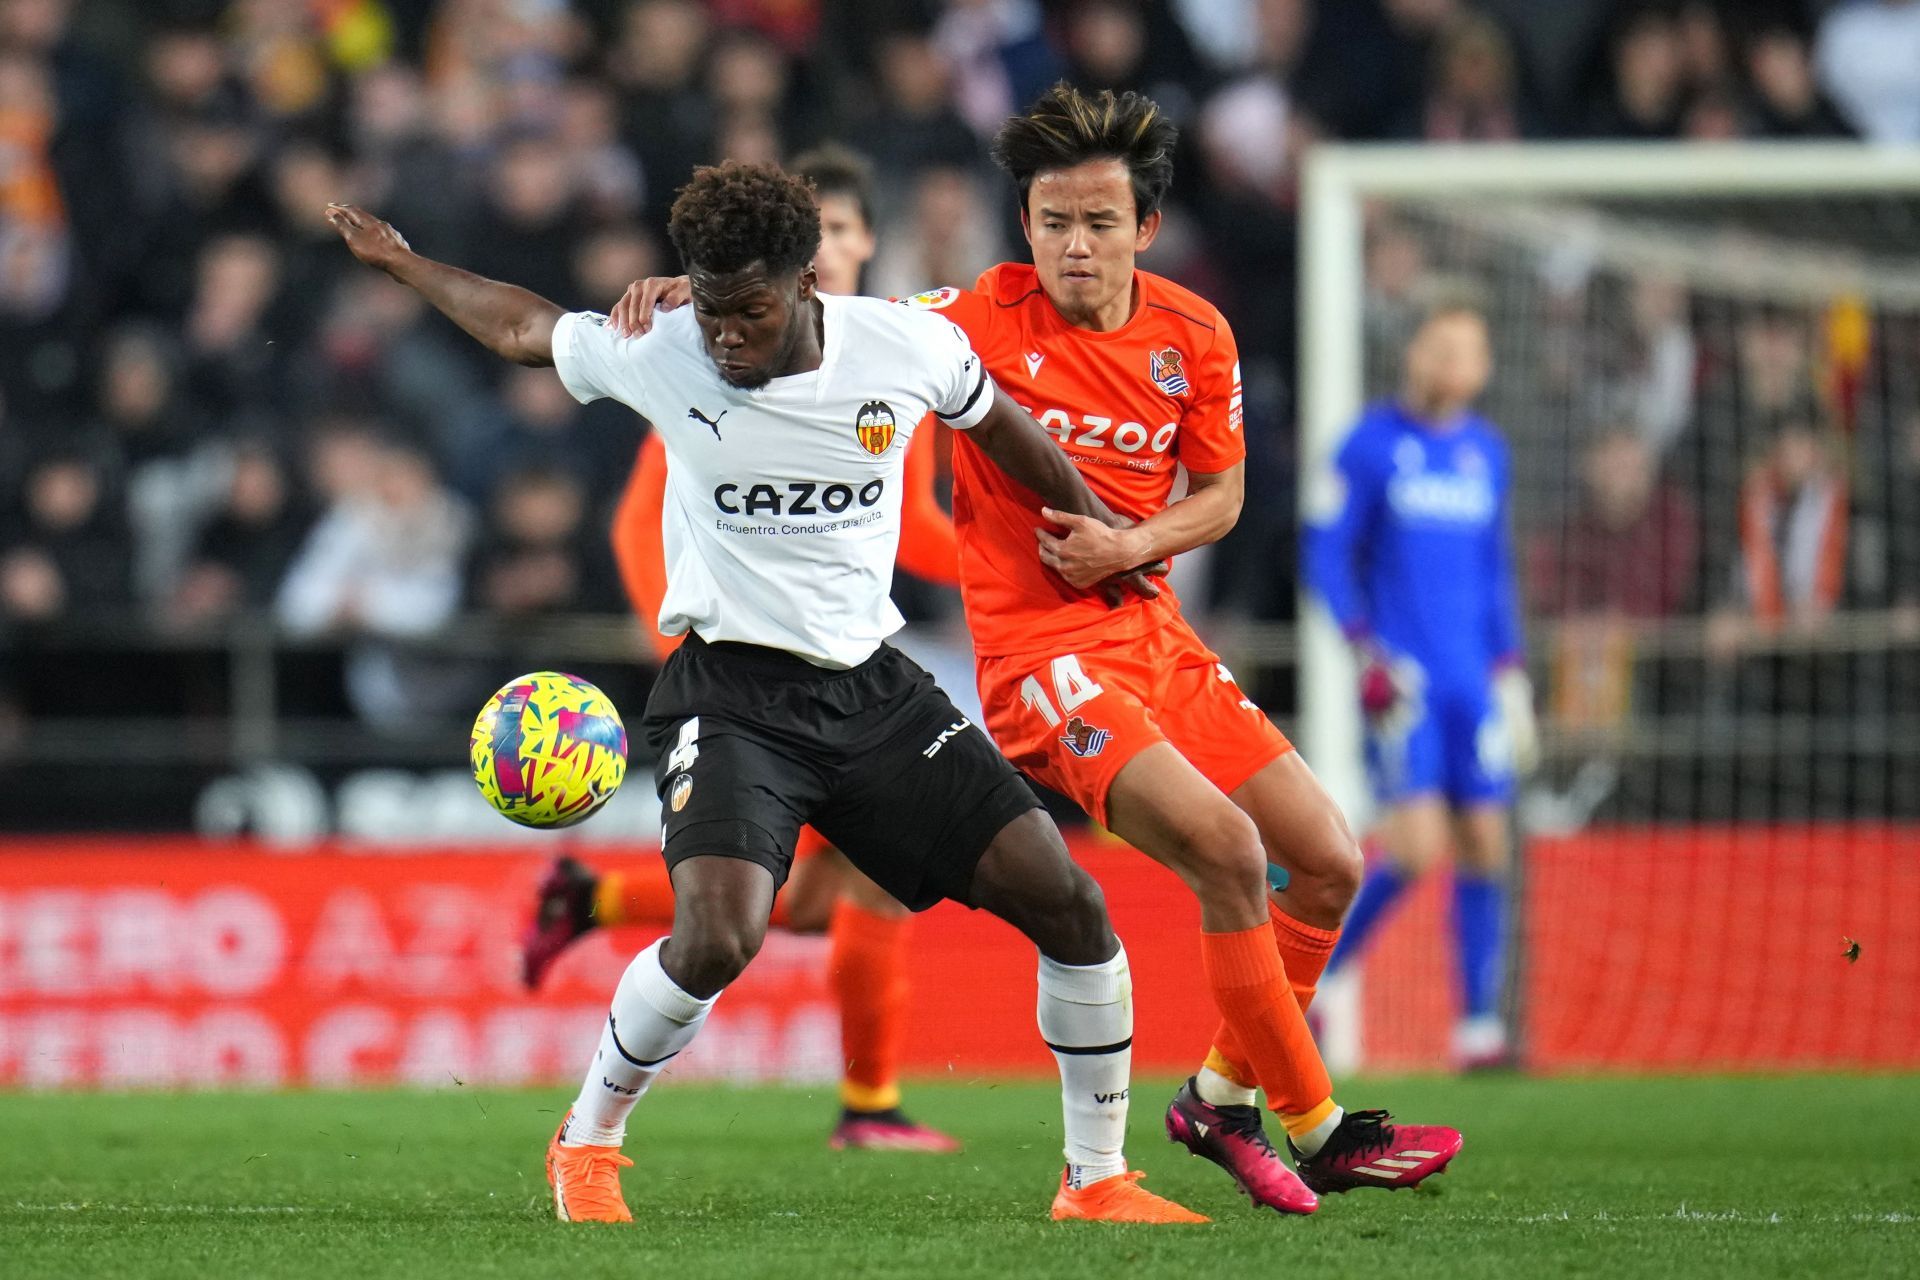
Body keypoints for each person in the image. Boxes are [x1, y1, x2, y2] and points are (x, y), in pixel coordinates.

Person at [611, 85, 1463, 1211]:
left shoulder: (1195, 334)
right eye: (1054, 221)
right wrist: (712, 292)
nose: (1073, 244)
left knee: (1329, 859)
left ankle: (1216, 1093)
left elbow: (1222, 494)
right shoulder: (969, 316)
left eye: (1099, 223)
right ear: (1027, 225)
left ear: (1145, 230)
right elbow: (833, 322)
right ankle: (1318, 1125)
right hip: (1041, 661)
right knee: (1220, 846)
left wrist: (1134, 540)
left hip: (1152, 632)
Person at [326, 160, 1206, 1226]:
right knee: (720, 936)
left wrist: (1099, 535)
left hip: (875, 690)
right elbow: (524, 328)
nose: (727, 334)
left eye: (748, 310)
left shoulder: (904, 347)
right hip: (730, 690)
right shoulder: (667, 347)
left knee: (1070, 903)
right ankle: (587, 1142)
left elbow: (1008, 431)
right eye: (709, 306)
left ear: (803, 284)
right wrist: (403, 261)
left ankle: (1096, 1177)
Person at [520, 146, 967, 1154]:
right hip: (738, 666)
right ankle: (869, 1102)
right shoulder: (710, 346)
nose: (847, 247)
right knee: (852, 886)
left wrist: (998, 561)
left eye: (856, 230)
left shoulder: (897, 344)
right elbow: (648, 512)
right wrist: (678, 640)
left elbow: (920, 524)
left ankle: (593, 897)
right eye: (832, 229)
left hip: (844, 659)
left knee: (808, 899)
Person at [1303, 301, 1538, 1071]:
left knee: (1485, 844)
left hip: (1474, 679)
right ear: (1413, 355)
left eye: (1466, 351)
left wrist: (1510, 672)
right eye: (1439, 347)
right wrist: (1364, 650)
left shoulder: (1486, 453)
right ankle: (1325, 980)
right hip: (1404, 680)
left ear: (1484, 367)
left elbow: (1493, 567)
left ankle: (1478, 1028)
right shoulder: (1369, 447)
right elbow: (1327, 554)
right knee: (1413, 845)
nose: (1451, 364)